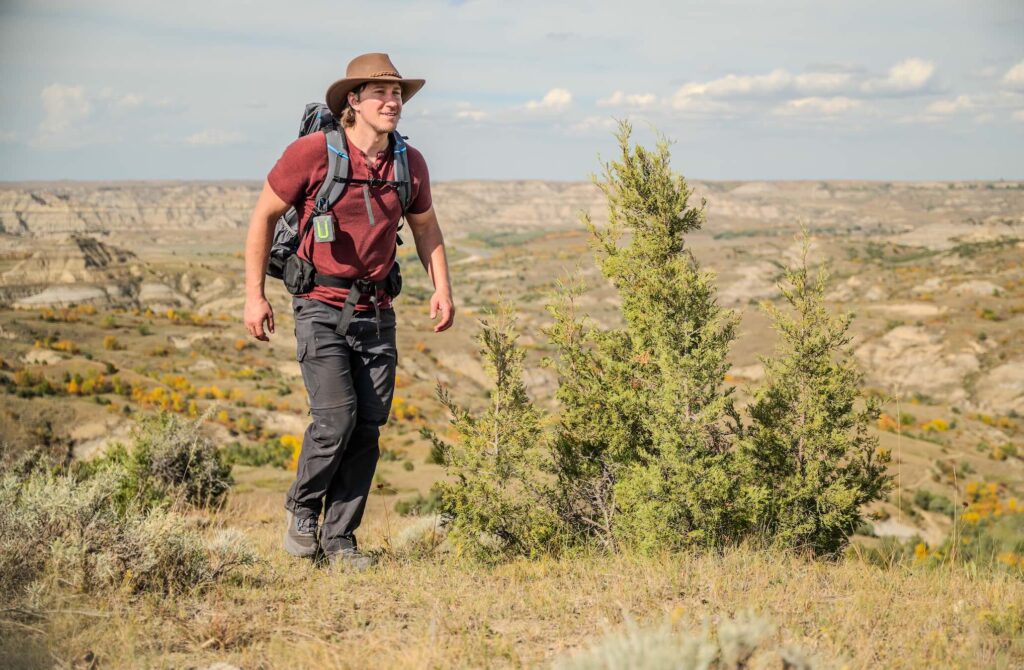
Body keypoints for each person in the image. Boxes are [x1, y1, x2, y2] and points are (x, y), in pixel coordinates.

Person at [242, 53, 454, 569]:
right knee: (336, 419)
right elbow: (263, 217)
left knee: (368, 426)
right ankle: (303, 507)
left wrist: (441, 287)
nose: (393, 102)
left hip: (378, 309)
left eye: (398, 94)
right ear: (352, 103)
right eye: (381, 93)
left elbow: (425, 227)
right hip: (319, 304)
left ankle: (339, 539)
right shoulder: (312, 153)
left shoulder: (409, 162)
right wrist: (254, 294)